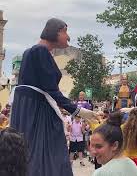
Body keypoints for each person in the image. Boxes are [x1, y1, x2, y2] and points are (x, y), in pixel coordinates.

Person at [9, 18, 96, 176]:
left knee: (32, 153)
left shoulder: (32, 52)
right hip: (38, 112)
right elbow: (51, 90)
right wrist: (78, 111)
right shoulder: (40, 51)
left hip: (28, 110)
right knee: (47, 152)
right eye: (65, 31)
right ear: (55, 31)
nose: (68, 37)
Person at [90, 112, 137, 176]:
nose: (93, 151)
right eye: (92, 145)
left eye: (99, 146)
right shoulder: (133, 165)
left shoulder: (101, 173)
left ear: (115, 145)